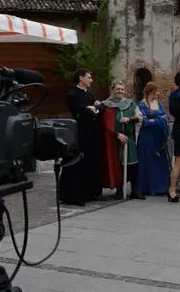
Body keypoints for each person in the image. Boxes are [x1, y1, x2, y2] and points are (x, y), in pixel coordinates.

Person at [59, 69, 104, 206]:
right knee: (76, 163)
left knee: (90, 162)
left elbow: (96, 108)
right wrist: (88, 110)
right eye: (89, 77)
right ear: (81, 78)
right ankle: (73, 195)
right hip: (79, 134)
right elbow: (78, 111)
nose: (91, 80)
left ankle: (89, 192)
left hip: (91, 134)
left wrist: (96, 107)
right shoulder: (73, 94)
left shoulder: (89, 94)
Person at [102, 81, 144, 200]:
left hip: (129, 138)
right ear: (113, 90)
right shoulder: (107, 105)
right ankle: (119, 190)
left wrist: (129, 119)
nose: (119, 91)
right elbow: (105, 123)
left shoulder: (131, 104)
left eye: (121, 89)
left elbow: (140, 116)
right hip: (113, 140)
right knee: (117, 165)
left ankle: (134, 190)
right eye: (117, 89)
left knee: (133, 164)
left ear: (124, 91)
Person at [136, 82, 171, 197]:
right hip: (147, 137)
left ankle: (160, 187)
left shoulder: (158, 104)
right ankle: (147, 187)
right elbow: (144, 121)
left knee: (159, 162)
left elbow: (165, 118)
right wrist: (157, 120)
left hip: (158, 136)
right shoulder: (142, 104)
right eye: (156, 91)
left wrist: (155, 121)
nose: (158, 93)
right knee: (147, 161)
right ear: (151, 91)